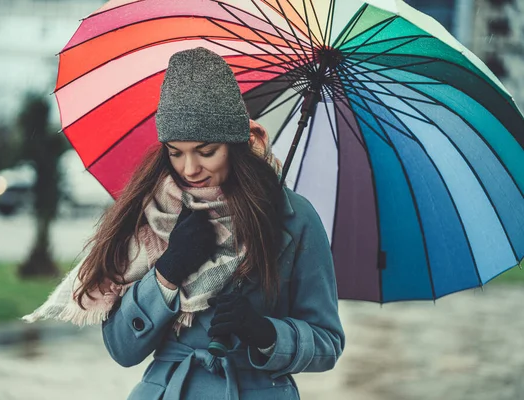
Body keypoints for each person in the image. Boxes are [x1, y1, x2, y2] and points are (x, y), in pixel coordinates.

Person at [24, 47, 344, 400]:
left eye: (206, 151)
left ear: (235, 144)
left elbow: (327, 342)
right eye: (176, 152)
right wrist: (169, 269)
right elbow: (122, 349)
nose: (189, 169)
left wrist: (265, 332)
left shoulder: (293, 217)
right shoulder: (150, 213)